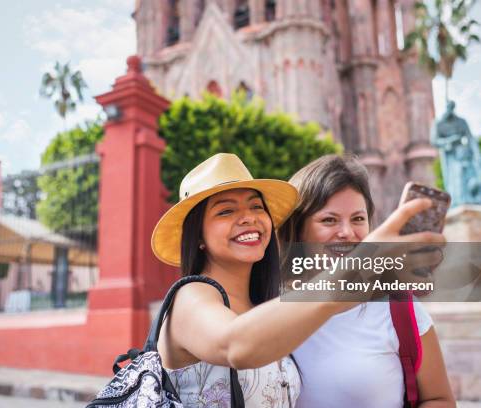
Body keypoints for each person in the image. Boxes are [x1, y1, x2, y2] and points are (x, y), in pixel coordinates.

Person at [152, 153, 444, 407]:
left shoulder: (266, 303)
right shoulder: (191, 296)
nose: (248, 218)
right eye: (226, 211)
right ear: (198, 236)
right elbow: (235, 346)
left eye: (256, 207)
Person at [278, 155, 455, 408]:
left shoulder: (398, 306)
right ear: (298, 228)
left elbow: (439, 399)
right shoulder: (265, 302)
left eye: (358, 219)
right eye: (329, 220)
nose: (347, 233)